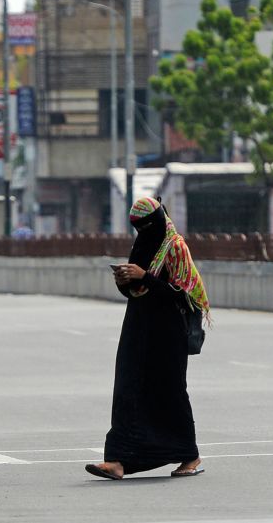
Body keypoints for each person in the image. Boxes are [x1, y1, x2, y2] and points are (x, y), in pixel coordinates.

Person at [86, 197, 210, 481]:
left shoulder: (175, 247)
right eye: (137, 227)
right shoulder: (143, 244)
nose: (143, 231)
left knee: (169, 392)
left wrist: (145, 277)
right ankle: (117, 460)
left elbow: (184, 296)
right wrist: (125, 282)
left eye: (146, 225)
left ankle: (190, 455)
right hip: (139, 329)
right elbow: (138, 292)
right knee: (128, 389)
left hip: (168, 334)